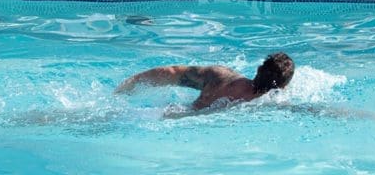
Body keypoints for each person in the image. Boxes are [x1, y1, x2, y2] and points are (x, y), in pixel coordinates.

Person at [115, 52, 295, 112]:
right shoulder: (272, 105)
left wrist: (128, 85)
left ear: (258, 69)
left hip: (163, 116)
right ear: (283, 86)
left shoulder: (221, 77)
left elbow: (171, 72)